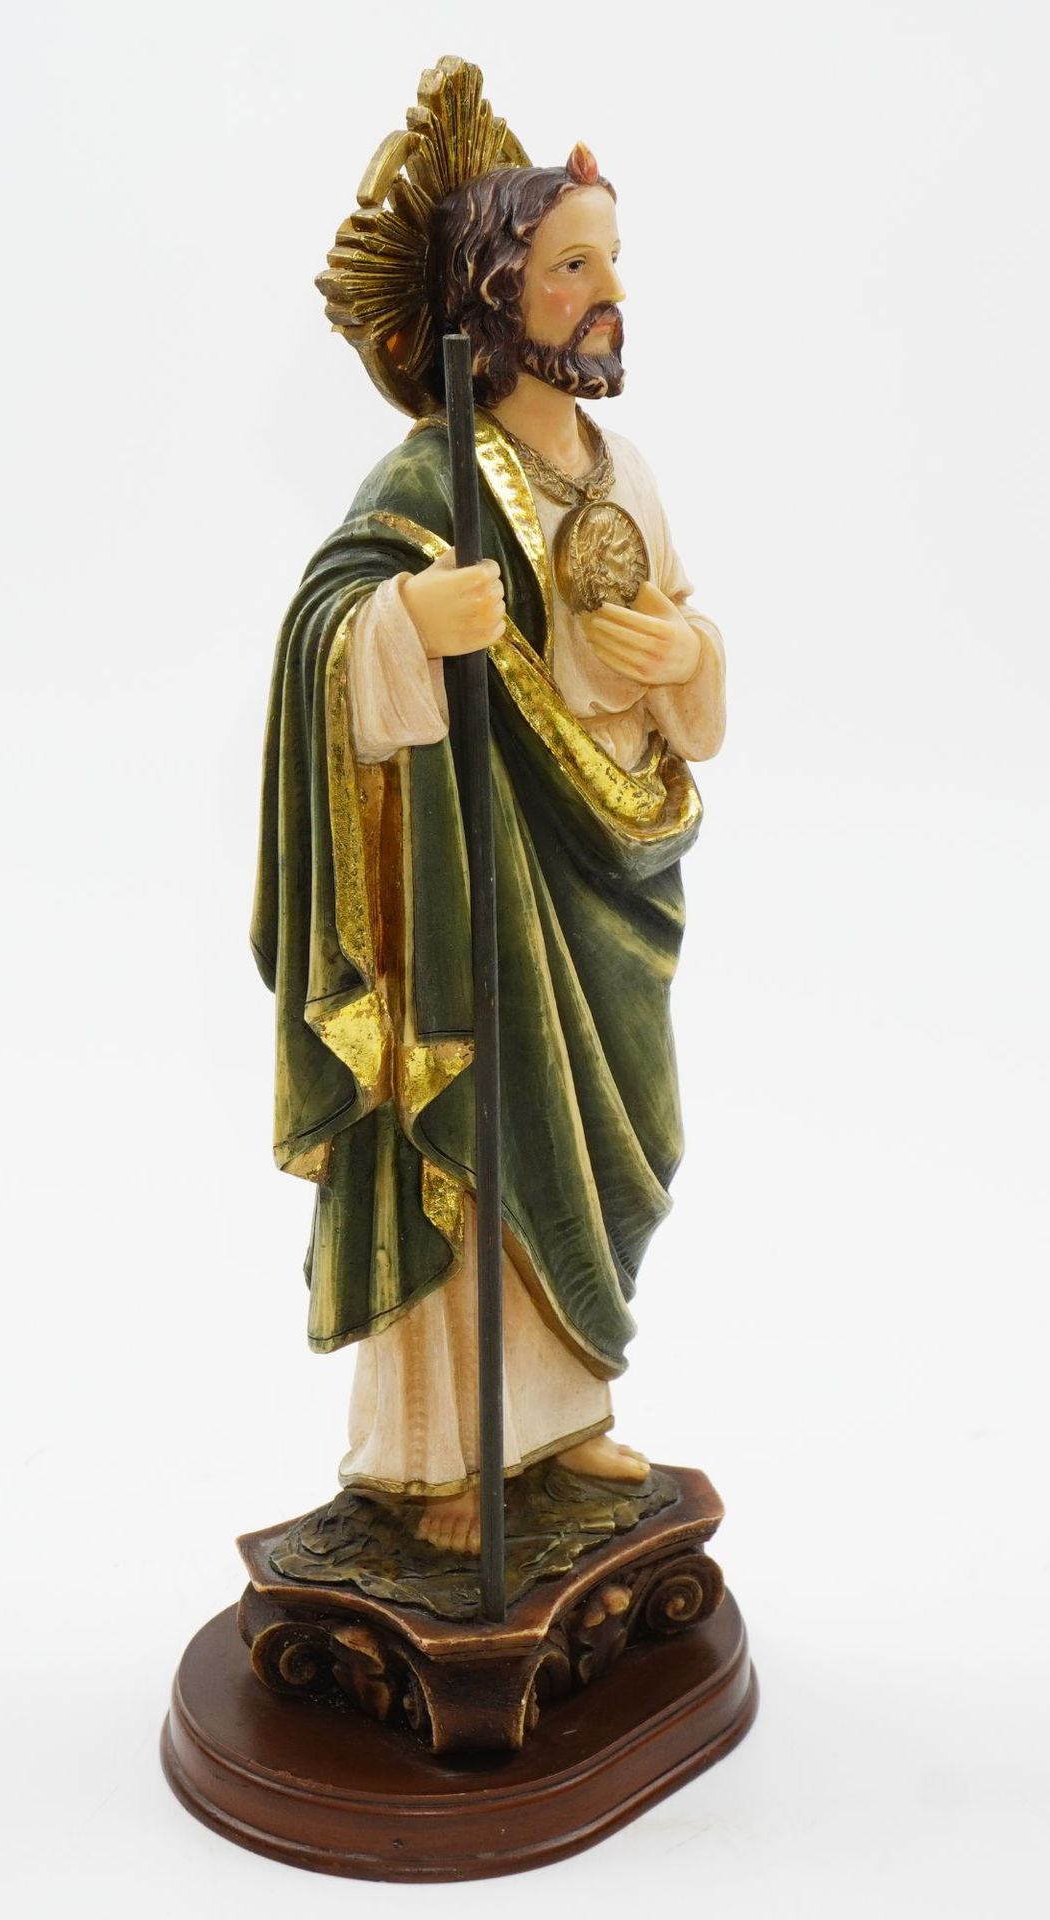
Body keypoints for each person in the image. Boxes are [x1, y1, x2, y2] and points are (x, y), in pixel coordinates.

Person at [253, 61, 726, 1554]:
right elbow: (323, 637)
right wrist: (406, 623)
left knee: (601, 1142)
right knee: (479, 1129)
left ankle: (561, 1419)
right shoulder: (431, 473)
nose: (610, 295)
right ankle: (443, 1456)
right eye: (575, 267)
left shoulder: (623, 468)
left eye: (612, 262)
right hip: (479, 885)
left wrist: (686, 658)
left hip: (607, 883)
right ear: (494, 295)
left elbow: (683, 653)